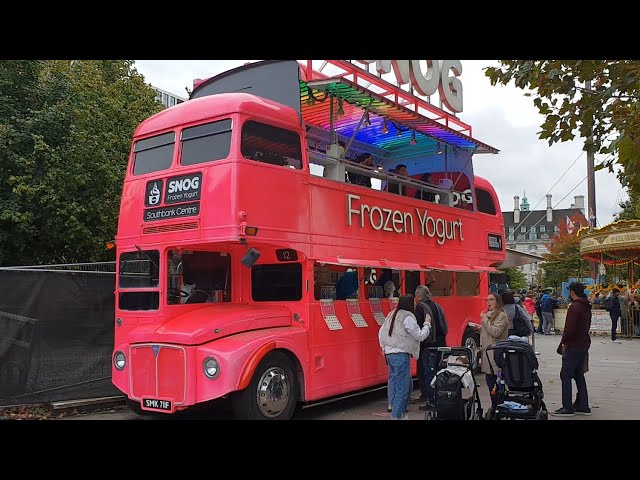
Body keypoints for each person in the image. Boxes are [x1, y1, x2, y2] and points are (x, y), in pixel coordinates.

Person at [378, 294, 431, 420]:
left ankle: (394, 408)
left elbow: (381, 332)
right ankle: (396, 416)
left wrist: (384, 348)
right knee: (403, 388)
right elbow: (419, 335)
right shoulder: (408, 317)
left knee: (395, 381)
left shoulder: (392, 313)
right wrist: (427, 325)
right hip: (400, 355)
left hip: (390, 354)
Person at [551, 282, 592, 416]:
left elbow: (570, 329)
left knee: (566, 374)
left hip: (573, 345)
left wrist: (564, 343)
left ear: (572, 292)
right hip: (583, 343)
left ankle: (567, 407)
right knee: (578, 374)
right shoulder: (586, 306)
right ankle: (583, 405)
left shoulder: (574, 307)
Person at [470, 292, 509, 415]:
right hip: (487, 354)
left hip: (495, 355)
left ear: (497, 302)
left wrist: (485, 320)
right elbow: (488, 330)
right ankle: (495, 407)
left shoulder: (502, 316)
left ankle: (498, 407)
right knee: (490, 382)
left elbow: (496, 332)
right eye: (487, 300)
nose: (488, 302)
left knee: (496, 384)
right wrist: (479, 328)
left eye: (491, 300)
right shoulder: (489, 315)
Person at [413, 285, 448, 410]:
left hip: (428, 346)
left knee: (428, 373)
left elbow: (417, 328)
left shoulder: (420, 308)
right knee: (438, 372)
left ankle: (431, 401)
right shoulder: (437, 306)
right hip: (441, 344)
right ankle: (439, 398)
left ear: (419, 296)